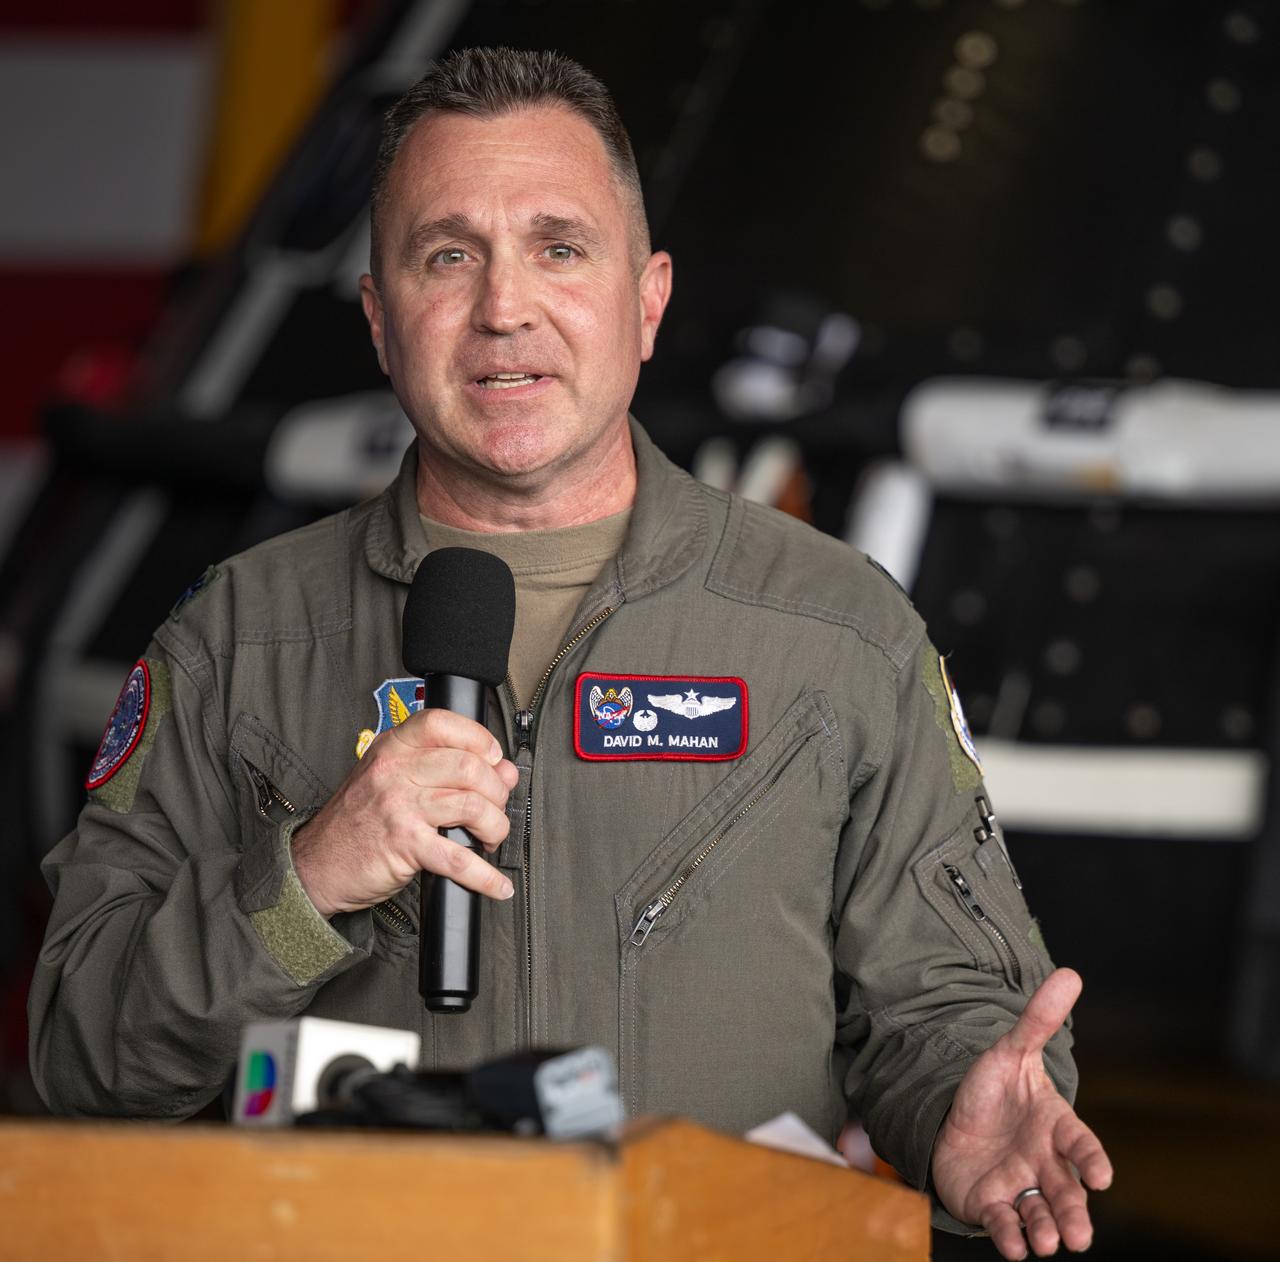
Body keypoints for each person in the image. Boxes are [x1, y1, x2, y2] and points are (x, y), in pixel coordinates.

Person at [30, 47, 1111, 1258]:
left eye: (558, 248)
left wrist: (959, 1103)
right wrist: (304, 880)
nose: (504, 307)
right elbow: (85, 1060)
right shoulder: (238, 636)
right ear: (380, 317)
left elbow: (944, 1002)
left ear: (646, 300)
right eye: (448, 255)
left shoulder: (835, 629)